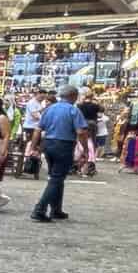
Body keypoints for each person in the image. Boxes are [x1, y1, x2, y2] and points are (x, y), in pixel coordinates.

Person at [31, 87, 92, 222]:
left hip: (49, 144)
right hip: (64, 145)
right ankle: (40, 209)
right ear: (73, 96)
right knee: (57, 178)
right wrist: (86, 150)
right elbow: (81, 132)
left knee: (56, 177)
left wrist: (34, 147)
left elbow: (38, 129)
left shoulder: (49, 109)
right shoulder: (73, 110)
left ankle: (56, 209)